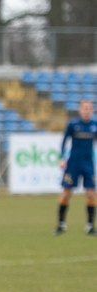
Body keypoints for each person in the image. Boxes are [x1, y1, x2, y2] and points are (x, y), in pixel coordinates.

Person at [54, 99, 97, 235]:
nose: (86, 110)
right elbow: (64, 141)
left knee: (91, 194)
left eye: (89, 108)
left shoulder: (94, 125)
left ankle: (90, 226)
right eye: (84, 108)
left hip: (88, 163)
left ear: (92, 110)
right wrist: (62, 157)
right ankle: (61, 224)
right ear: (80, 110)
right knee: (66, 193)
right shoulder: (73, 124)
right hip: (73, 163)